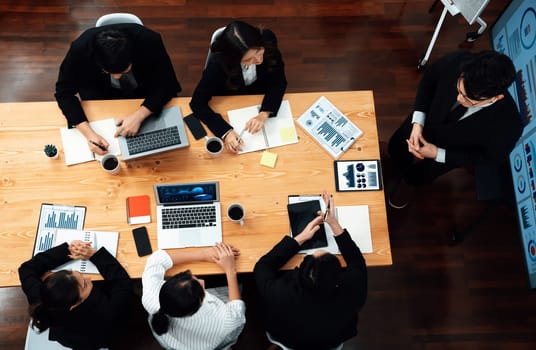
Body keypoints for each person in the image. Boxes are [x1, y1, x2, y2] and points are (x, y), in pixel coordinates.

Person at [387, 50, 524, 209]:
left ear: (496, 97)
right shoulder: (459, 60)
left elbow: (487, 158)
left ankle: (405, 185)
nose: (459, 98)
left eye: (468, 98)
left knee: (417, 177)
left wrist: (437, 153)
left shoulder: (509, 126)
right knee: (396, 150)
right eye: (459, 89)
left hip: (447, 154)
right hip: (419, 124)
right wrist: (417, 123)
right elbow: (430, 79)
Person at [254, 191, 368, 350]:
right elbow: (357, 262)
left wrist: (300, 239)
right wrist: (334, 224)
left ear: (298, 273)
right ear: (338, 276)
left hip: (287, 339)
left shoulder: (281, 292)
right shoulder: (353, 290)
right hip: (330, 342)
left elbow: (263, 266)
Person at [55, 23, 181, 155]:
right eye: (108, 71)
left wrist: (140, 115)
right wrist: (89, 134)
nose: (117, 76)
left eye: (124, 70)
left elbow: (168, 83)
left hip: (144, 94)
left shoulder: (149, 41)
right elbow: (63, 93)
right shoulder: (80, 50)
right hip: (101, 98)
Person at [189, 20, 287, 153]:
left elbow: (278, 81)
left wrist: (264, 113)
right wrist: (225, 132)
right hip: (231, 98)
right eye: (248, 59)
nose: (258, 60)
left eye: (259, 52)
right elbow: (197, 103)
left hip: (260, 96)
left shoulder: (267, 40)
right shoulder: (218, 64)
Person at [18, 240, 133, 350]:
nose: (88, 278)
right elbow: (123, 284)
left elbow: (26, 269)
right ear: (74, 305)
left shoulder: (40, 295)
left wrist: (69, 250)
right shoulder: (108, 311)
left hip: (68, 337)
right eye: (84, 285)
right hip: (96, 337)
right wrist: (95, 255)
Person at [141, 242, 246, 350]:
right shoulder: (222, 320)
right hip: (210, 342)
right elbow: (237, 311)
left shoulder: (151, 297)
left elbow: (157, 259)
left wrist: (204, 254)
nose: (201, 280)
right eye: (200, 288)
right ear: (199, 303)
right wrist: (230, 270)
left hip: (174, 342)